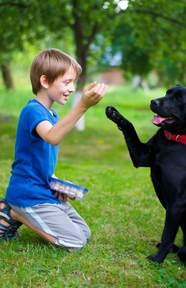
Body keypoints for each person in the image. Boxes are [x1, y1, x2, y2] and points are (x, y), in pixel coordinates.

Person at [0, 48, 108, 250]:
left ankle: (19, 212)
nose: (71, 88)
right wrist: (82, 106)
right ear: (45, 81)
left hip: (43, 191)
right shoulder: (32, 111)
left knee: (84, 233)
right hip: (28, 194)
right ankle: (14, 212)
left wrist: (56, 182)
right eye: (67, 82)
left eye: (73, 82)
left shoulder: (52, 115)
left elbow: (40, 158)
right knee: (75, 242)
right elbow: (52, 137)